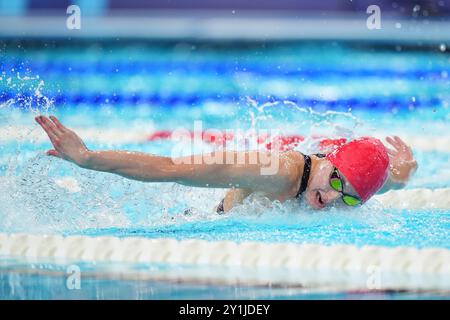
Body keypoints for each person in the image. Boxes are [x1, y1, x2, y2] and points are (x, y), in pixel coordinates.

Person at [35, 115, 417, 213]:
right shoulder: (271, 170)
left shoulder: (352, 182)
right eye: (336, 185)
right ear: (329, 159)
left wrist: (404, 169)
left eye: (349, 199)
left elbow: (393, 180)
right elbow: (173, 168)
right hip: (209, 221)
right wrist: (87, 158)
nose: (333, 200)